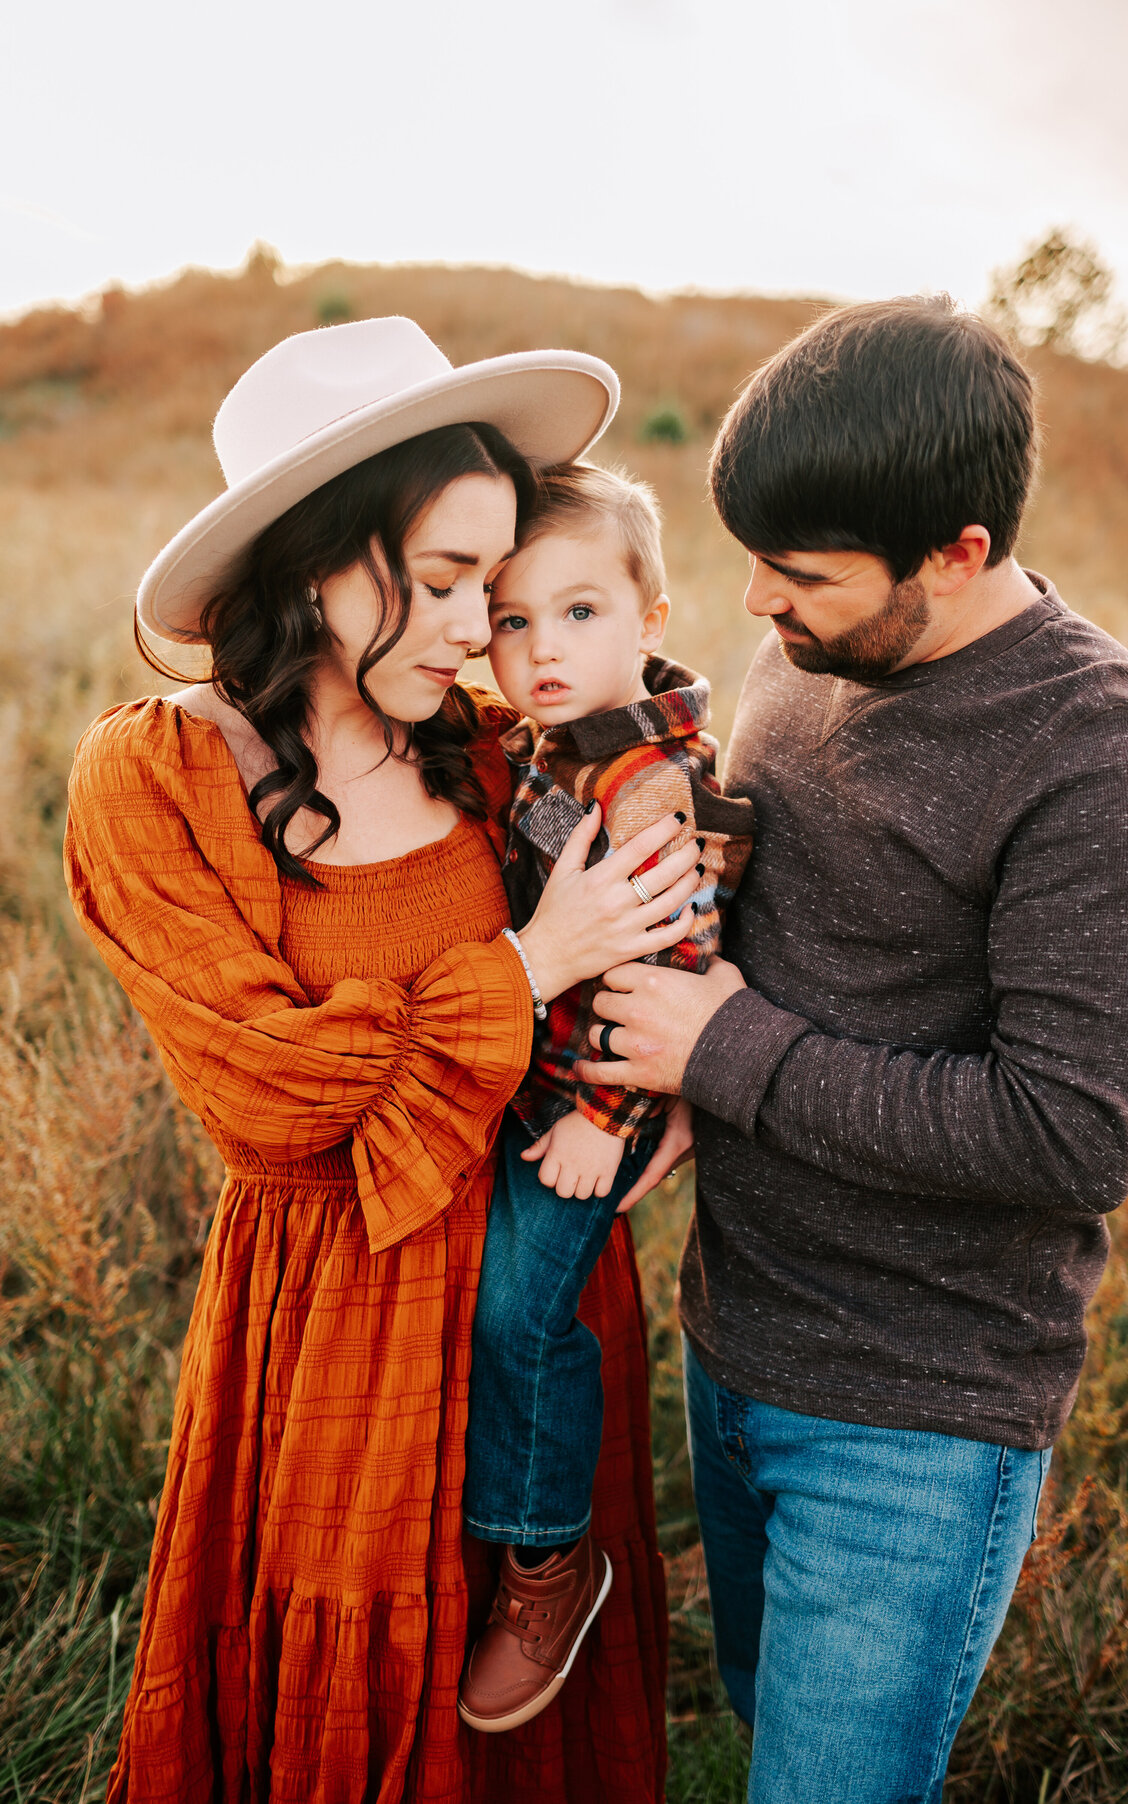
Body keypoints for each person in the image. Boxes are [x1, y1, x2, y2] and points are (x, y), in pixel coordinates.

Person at [64, 316, 697, 1804]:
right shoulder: (159, 778)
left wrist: (675, 1094)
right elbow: (275, 1098)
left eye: (497, 579)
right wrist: (534, 964)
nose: (488, 627)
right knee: (347, 1693)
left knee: (521, 1710)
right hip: (332, 1318)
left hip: (533, 1289)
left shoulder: (488, 749)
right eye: (448, 580)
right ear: (314, 563)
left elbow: (677, 907)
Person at [576, 296, 1128, 1802]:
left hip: (911, 1423)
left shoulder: (1097, 753)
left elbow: (1068, 1137)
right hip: (731, 1343)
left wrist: (725, 1050)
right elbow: (763, 922)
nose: (753, 609)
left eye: (799, 578)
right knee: (754, 1715)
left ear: (960, 553)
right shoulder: (806, 659)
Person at [454, 464, 754, 1732]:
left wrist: (605, 1120)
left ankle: (547, 1557)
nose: (541, 651)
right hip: (545, 1086)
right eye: (512, 622)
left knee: (525, 1317)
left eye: (579, 614)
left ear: (652, 613)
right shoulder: (562, 740)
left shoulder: (642, 783)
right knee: (502, 1303)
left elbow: (677, 960)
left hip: (590, 1107)